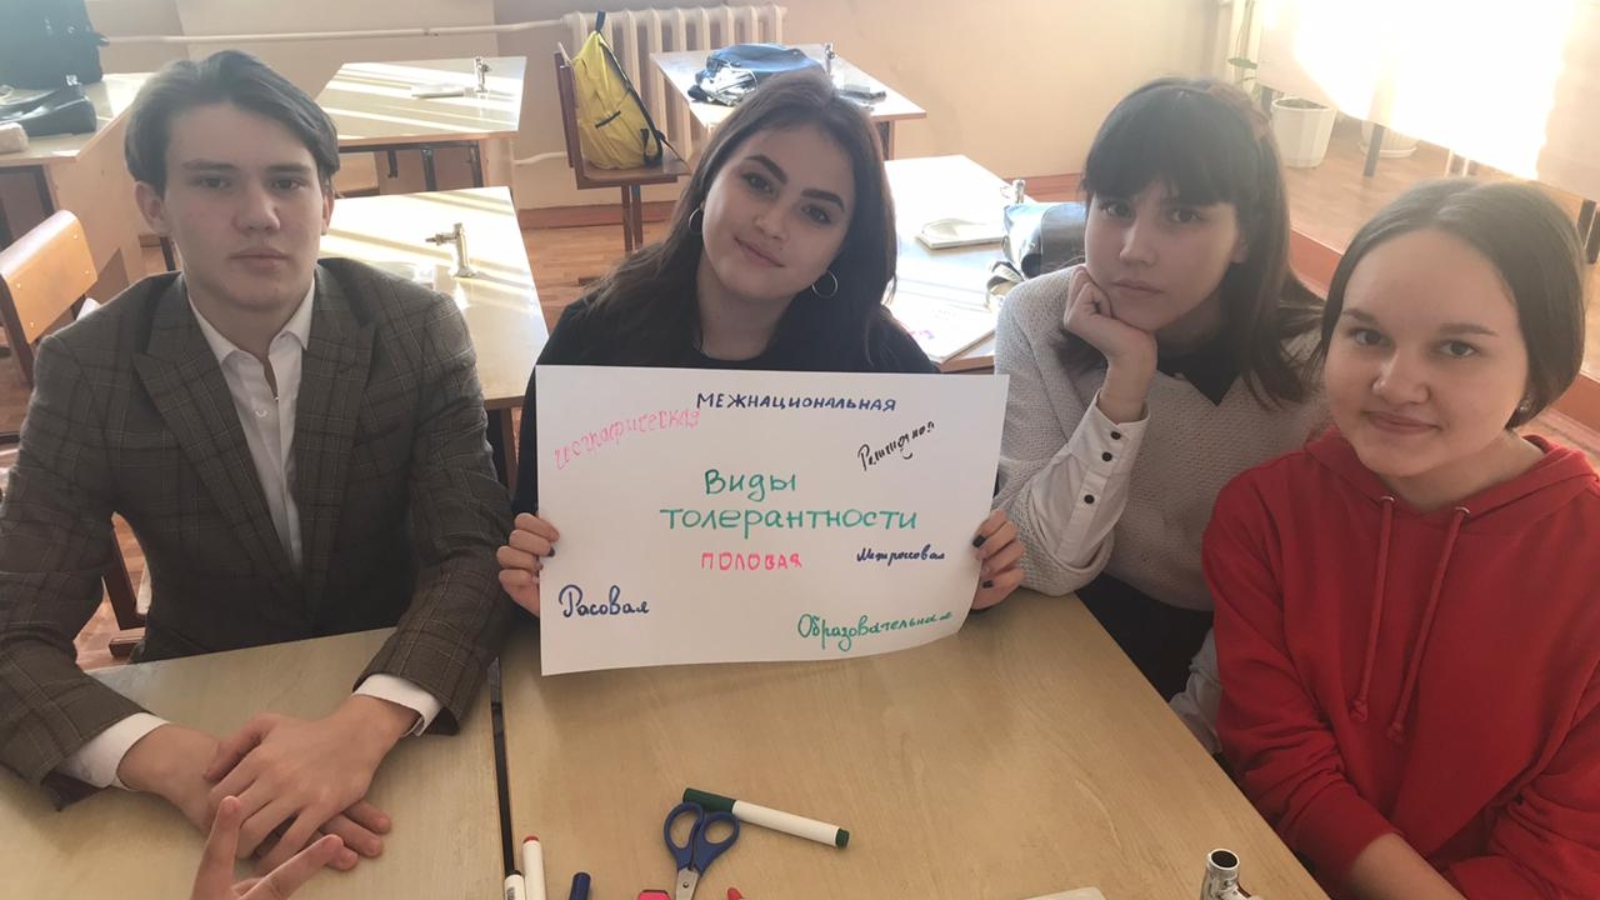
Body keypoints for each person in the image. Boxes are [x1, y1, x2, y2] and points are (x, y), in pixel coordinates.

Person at [0, 50, 512, 872]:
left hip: (398, 682)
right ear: (154, 205)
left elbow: (474, 554)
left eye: (287, 182)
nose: (260, 215)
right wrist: (183, 766)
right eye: (213, 182)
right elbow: (11, 633)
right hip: (201, 693)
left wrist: (362, 725)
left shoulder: (416, 331)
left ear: (327, 203)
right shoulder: (89, 369)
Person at [498, 71, 1024, 615]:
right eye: (758, 182)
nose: (773, 223)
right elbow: (533, 527)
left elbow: (955, 526)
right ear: (711, 176)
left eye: (816, 213)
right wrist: (536, 582)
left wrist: (972, 571)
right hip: (635, 650)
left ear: (842, 247)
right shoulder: (594, 337)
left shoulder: (877, 358)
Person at [1209, 179, 1600, 898]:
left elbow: (1565, 853)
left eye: (1457, 348)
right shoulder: (1264, 514)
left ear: (1539, 369)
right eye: (1368, 335)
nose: (1394, 383)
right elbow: (1280, 756)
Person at [990, 77, 1325, 747]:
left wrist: (1185, 741)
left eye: (1183, 215)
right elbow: (1042, 561)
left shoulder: (1319, 369)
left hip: (1241, 655)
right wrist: (1125, 386)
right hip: (1068, 615)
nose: (1134, 248)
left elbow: (1292, 609)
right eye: (1115, 207)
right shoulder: (1036, 316)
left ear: (1246, 235)